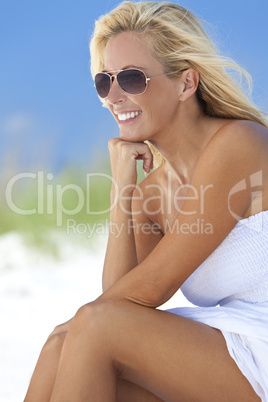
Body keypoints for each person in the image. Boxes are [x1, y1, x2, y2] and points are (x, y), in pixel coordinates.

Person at [24, 1, 268, 401]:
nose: (113, 97)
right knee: (61, 350)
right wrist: (124, 187)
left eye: (132, 79)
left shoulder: (239, 144)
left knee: (83, 330)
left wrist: (72, 328)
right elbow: (121, 300)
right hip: (224, 347)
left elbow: (148, 291)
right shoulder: (152, 194)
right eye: (104, 82)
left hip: (260, 346)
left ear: (186, 83)